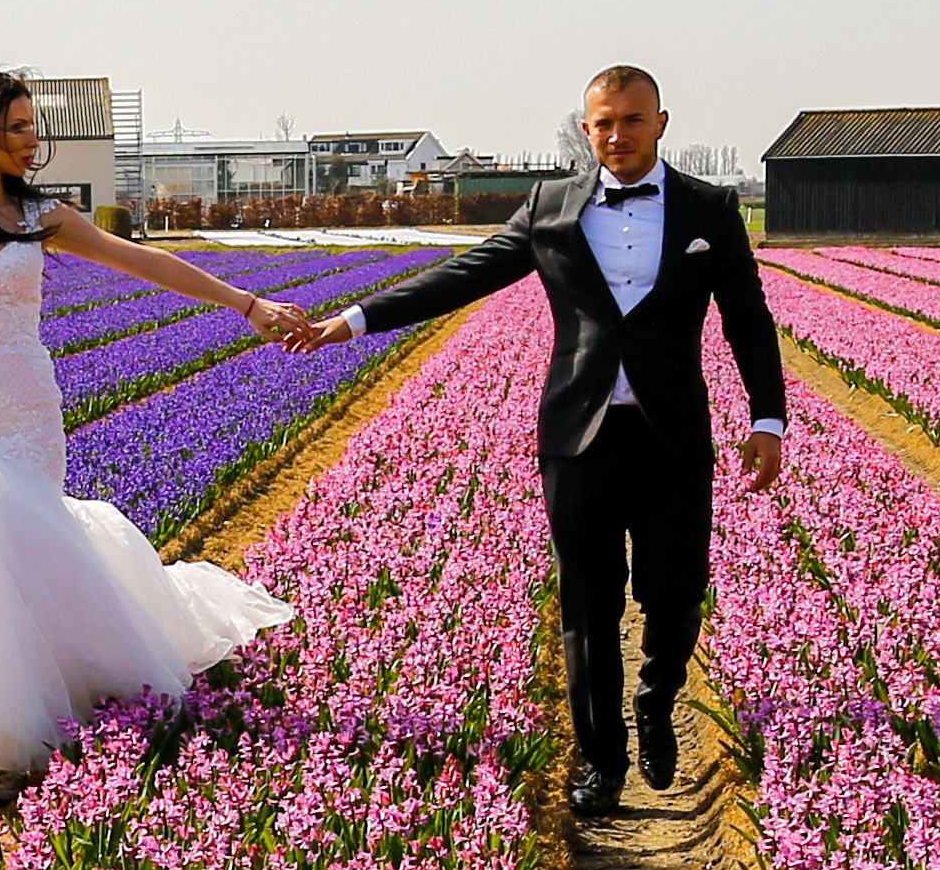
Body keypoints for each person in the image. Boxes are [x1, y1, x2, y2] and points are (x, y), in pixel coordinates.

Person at [319, 64, 791, 818]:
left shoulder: (709, 207)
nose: (616, 136)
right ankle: (602, 763)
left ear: (661, 123)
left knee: (674, 594)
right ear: (586, 127)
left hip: (673, 437)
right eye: (601, 123)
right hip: (580, 437)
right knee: (588, 605)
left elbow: (747, 318)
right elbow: (461, 276)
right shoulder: (552, 209)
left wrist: (766, 417)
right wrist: (354, 320)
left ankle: (657, 692)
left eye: (631, 121)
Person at [0, 69, 325, 794]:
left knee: (30, 545)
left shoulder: (41, 216)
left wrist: (246, 303)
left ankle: (58, 691)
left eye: (32, 125)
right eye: (17, 127)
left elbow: (145, 261)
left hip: (25, 406)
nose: (32, 140)